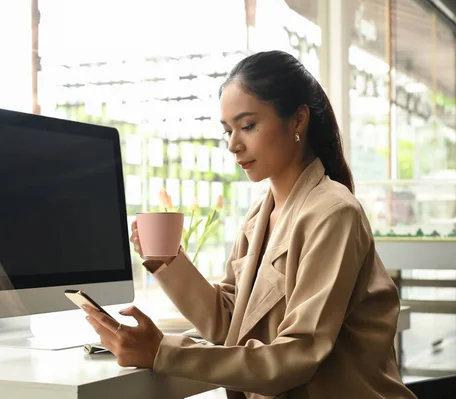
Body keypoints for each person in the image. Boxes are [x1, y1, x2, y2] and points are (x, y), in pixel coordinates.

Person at [83, 50, 416, 399]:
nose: (232, 145)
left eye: (248, 126)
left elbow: (299, 354)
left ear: (298, 120)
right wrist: (168, 261)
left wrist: (163, 351)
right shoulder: (260, 215)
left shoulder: (334, 213)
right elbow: (230, 323)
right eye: (227, 130)